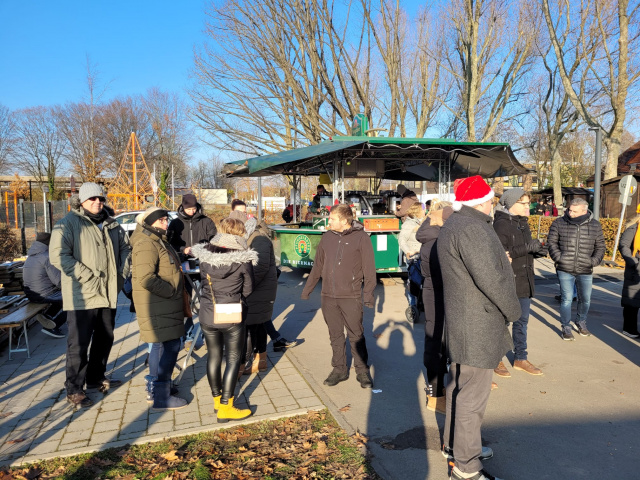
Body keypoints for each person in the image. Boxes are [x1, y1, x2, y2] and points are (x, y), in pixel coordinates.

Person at [438, 175, 521, 480]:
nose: (492, 204)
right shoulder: (473, 228)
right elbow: (493, 280)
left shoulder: (457, 224)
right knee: (472, 398)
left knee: (459, 387)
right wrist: (514, 311)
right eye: (491, 199)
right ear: (483, 201)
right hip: (476, 324)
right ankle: (467, 467)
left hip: (465, 321)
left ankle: (456, 446)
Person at [50, 182, 131, 408]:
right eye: (92, 199)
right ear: (82, 201)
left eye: (101, 199)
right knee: (78, 343)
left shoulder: (112, 224)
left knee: (105, 337)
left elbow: (126, 249)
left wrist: (121, 274)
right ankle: (74, 389)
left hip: (108, 292)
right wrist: (86, 275)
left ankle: (96, 377)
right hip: (81, 295)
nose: (98, 202)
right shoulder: (67, 224)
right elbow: (59, 256)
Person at [301, 204, 376, 389]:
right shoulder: (327, 238)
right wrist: (307, 289)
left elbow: (369, 269)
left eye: (332, 218)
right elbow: (317, 266)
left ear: (344, 220)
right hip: (328, 296)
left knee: (356, 334)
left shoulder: (361, 238)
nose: (329, 221)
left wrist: (368, 295)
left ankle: (362, 371)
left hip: (350, 296)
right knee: (335, 335)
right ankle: (339, 369)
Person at [191, 218, 257, 422]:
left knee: (213, 356)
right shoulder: (242, 259)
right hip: (231, 315)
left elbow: (201, 281)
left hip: (207, 313)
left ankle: (216, 400)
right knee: (233, 358)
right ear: (239, 234)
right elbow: (248, 289)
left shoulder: (205, 255)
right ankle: (227, 406)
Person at [130, 207, 188, 411]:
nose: (166, 223)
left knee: (166, 346)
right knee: (168, 347)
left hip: (163, 305)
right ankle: (161, 396)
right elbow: (146, 278)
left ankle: (161, 388)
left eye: (166, 219)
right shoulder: (147, 243)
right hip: (159, 304)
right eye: (161, 220)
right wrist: (171, 290)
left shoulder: (158, 240)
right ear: (150, 222)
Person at [493, 188, 546, 378]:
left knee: (522, 322)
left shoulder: (523, 223)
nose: (527, 206)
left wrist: (537, 250)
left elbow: (524, 250)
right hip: (508, 281)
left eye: (527, 203)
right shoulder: (500, 224)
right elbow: (500, 255)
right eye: (523, 203)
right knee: (503, 322)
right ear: (511, 203)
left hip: (525, 279)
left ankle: (520, 358)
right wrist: (526, 248)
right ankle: (496, 358)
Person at [547, 198, 605, 341]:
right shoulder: (559, 223)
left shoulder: (595, 226)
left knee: (585, 299)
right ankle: (566, 326)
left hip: (585, 268)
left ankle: (580, 322)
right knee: (566, 299)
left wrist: (593, 261)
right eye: (570, 210)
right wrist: (559, 258)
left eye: (574, 211)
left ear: (584, 211)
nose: (570, 213)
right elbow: (551, 242)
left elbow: (601, 247)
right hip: (564, 268)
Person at [415, 202, 453, 414]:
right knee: (437, 342)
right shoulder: (438, 239)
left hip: (432, 291)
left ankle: (437, 392)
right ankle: (436, 394)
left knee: (435, 340)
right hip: (438, 292)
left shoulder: (430, 235)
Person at [167, 193, 217, 349]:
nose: (192, 211)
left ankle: (206, 335)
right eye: (189, 209)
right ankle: (188, 337)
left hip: (204, 266)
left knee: (207, 302)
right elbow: (169, 244)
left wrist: (200, 249)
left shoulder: (206, 221)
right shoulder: (175, 223)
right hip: (183, 266)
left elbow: (214, 242)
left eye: (194, 208)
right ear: (182, 207)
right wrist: (183, 249)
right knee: (186, 303)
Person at [23, 232, 66, 338]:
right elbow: (58, 281)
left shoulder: (31, 257)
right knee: (73, 302)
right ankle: (52, 327)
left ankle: (47, 316)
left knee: (60, 299)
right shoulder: (46, 257)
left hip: (31, 294)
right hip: (45, 294)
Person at [398, 201, 426, 321]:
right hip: (413, 257)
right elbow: (402, 240)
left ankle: (422, 303)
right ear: (418, 210)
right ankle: (412, 305)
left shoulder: (425, 221)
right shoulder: (409, 224)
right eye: (423, 208)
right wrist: (408, 251)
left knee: (423, 282)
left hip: (424, 256)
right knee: (413, 282)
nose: (425, 210)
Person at [617, 212, 640, 338]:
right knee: (632, 301)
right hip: (635, 269)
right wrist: (634, 262)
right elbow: (624, 245)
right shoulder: (634, 227)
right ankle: (629, 329)